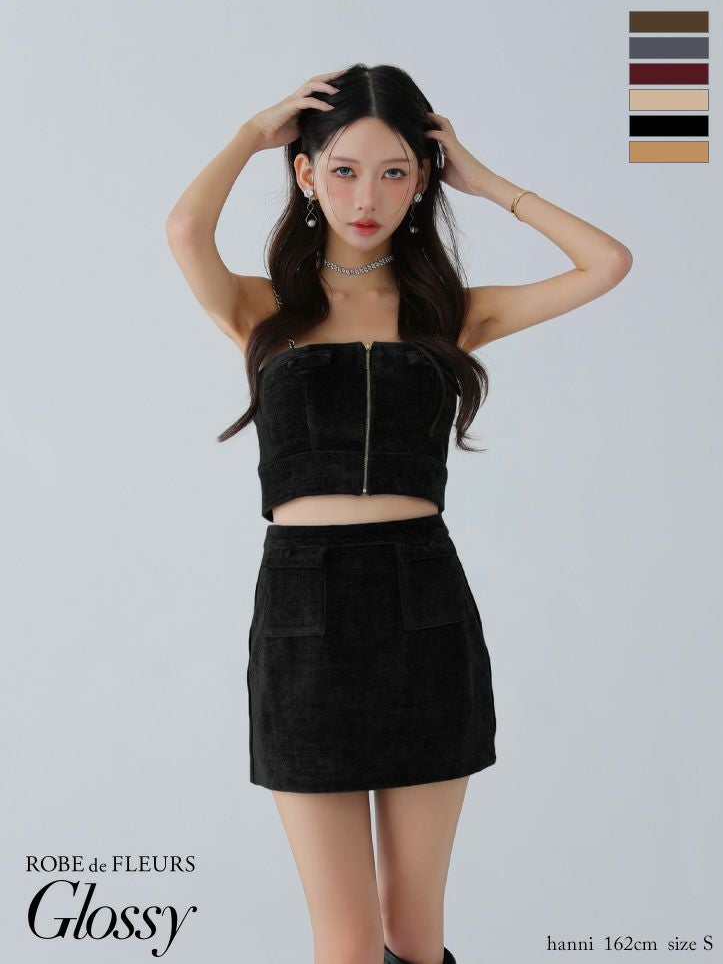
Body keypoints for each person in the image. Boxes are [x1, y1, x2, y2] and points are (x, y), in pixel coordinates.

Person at [165, 62, 632, 964]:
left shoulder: (446, 313)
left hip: (424, 607)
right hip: (303, 615)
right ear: (306, 174)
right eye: (343, 170)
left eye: (392, 172)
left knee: (414, 935)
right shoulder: (264, 309)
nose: (366, 196)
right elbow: (186, 229)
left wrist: (487, 182)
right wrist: (252, 133)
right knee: (345, 945)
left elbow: (606, 264)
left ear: (422, 181)